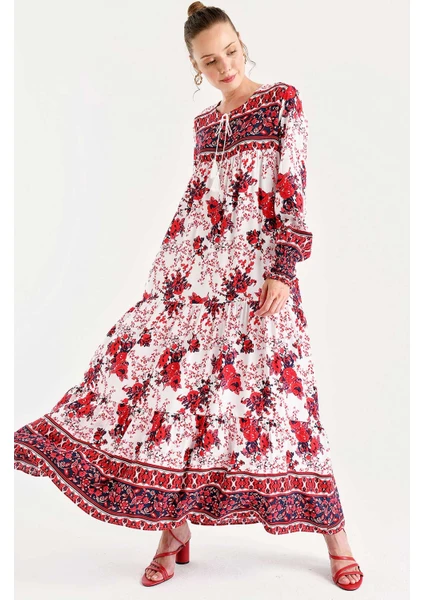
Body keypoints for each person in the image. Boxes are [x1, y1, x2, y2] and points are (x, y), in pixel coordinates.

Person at [14, 1, 364, 591]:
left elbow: (292, 187)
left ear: (242, 43)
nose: (224, 67)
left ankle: (338, 539)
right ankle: (172, 532)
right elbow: (197, 205)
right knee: (173, 396)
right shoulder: (204, 125)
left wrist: (282, 268)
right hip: (196, 282)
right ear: (194, 66)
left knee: (289, 403)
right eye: (209, 61)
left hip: (259, 282)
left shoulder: (282, 102)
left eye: (230, 52)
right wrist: (167, 278)